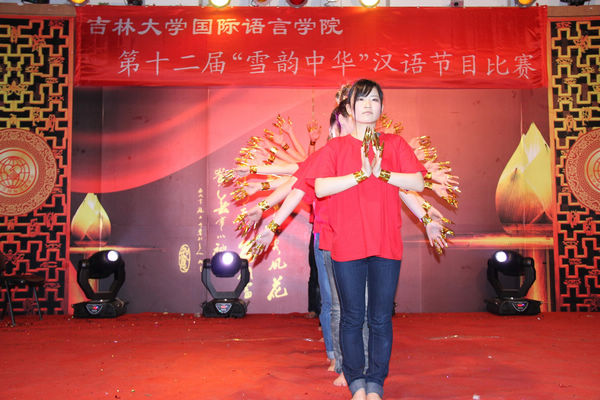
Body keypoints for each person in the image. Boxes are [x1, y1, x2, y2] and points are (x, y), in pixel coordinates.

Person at [306, 79, 426, 400]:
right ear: (349, 108)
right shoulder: (336, 148)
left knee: (380, 318)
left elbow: (417, 182)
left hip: (386, 243)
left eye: (374, 100)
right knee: (351, 316)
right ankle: (356, 382)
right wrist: (360, 174)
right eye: (361, 100)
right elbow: (320, 187)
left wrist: (382, 173)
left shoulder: (394, 144)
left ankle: (375, 383)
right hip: (347, 244)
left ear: (382, 107)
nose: (368, 105)